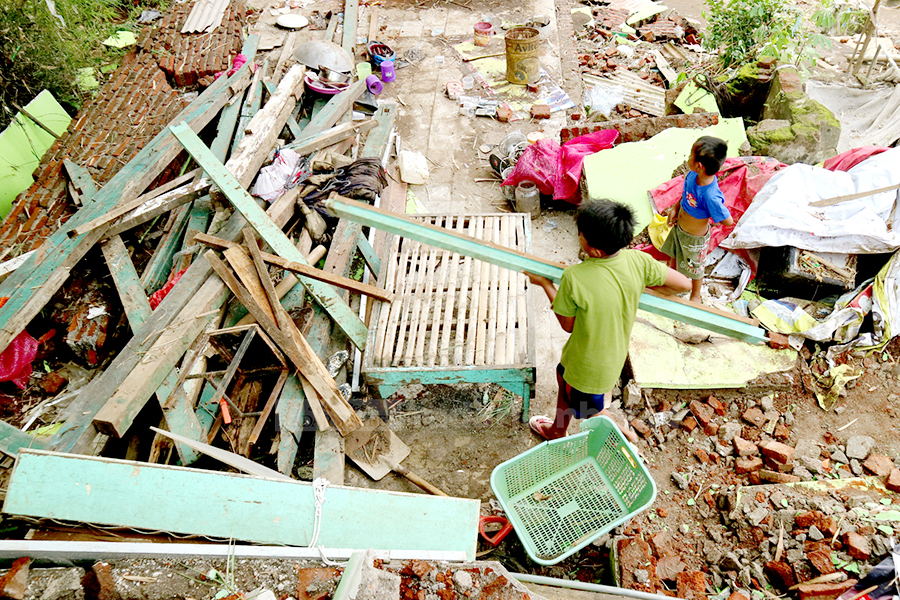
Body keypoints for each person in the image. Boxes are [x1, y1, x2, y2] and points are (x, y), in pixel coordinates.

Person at [526, 200, 691, 442]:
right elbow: (684, 284)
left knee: (590, 410)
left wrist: (546, 284)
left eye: (580, 235)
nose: (579, 237)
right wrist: (635, 285)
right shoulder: (638, 261)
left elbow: (568, 325)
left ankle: (624, 435)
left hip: (587, 366)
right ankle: (558, 430)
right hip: (611, 357)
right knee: (563, 379)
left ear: (595, 251)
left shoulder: (574, 278)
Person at [661, 136, 734, 303]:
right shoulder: (692, 176)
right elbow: (686, 195)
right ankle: (670, 281)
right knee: (675, 255)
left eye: (690, 155)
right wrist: (675, 208)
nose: (687, 158)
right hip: (680, 229)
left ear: (699, 165)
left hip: (695, 239)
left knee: (696, 267)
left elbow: (728, 221)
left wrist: (713, 218)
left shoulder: (710, 196)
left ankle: (695, 295)